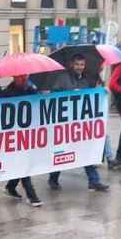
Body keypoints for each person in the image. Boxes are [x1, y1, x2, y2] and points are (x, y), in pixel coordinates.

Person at [48, 53, 109, 192]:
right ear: (71, 64)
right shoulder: (62, 78)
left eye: (82, 65)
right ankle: (53, 178)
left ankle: (94, 180)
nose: (79, 67)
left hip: (81, 123)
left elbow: (91, 96)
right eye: (77, 64)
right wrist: (69, 93)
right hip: (64, 123)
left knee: (85, 150)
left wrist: (101, 91)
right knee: (62, 151)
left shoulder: (86, 79)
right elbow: (54, 95)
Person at [0, 75, 42, 207]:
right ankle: (32, 196)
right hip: (13, 134)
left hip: (28, 132)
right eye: (20, 77)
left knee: (21, 162)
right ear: (14, 77)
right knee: (23, 163)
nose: (23, 79)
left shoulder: (31, 88)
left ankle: (11, 187)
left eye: (25, 76)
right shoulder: (7, 92)